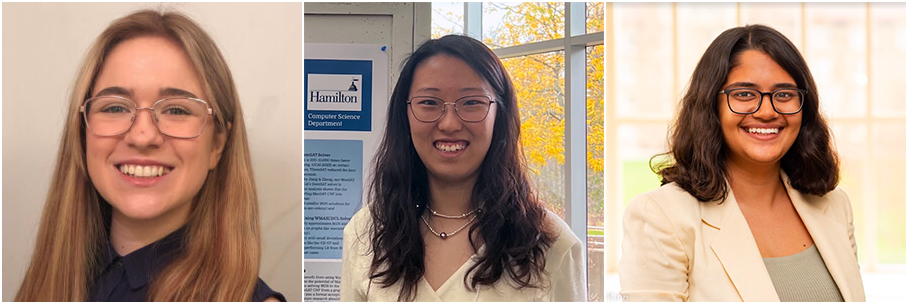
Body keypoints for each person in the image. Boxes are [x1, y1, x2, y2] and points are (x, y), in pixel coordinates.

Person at [14, 10, 284, 301]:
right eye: (115, 107)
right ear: (82, 133)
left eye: (176, 110)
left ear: (217, 144)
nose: (143, 136)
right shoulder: (47, 284)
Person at [618, 24, 865, 302]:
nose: (767, 111)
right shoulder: (660, 217)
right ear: (712, 105)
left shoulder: (835, 205)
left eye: (784, 94)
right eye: (744, 94)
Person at [340, 35, 586, 301]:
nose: (449, 124)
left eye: (471, 103)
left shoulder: (550, 243)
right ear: (405, 115)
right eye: (429, 103)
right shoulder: (366, 233)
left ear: (499, 116)